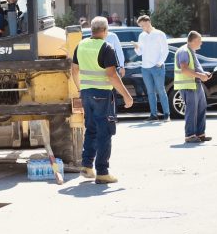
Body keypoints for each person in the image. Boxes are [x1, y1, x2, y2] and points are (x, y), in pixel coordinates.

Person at [72, 16, 134, 184]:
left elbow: (74, 70)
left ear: (92, 30)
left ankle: (86, 166)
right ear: (106, 31)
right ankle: (102, 172)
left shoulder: (81, 45)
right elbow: (112, 75)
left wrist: (80, 89)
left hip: (86, 94)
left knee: (91, 129)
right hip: (102, 95)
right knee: (105, 131)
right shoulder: (106, 47)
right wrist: (127, 96)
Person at [175, 31, 213, 144]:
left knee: (201, 108)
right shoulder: (184, 51)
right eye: (200, 41)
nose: (201, 44)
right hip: (188, 86)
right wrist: (200, 75)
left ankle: (200, 134)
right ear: (195, 41)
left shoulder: (190, 51)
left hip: (195, 84)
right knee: (192, 110)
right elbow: (184, 69)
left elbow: (193, 68)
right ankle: (190, 135)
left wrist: (203, 73)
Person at [134, 15, 170, 121]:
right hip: (145, 68)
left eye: (143, 25)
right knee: (150, 92)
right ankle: (153, 115)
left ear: (148, 22)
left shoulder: (159, 34)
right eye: (140, 26)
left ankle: (166, 114)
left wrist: (160, 63)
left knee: (161, 90)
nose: (142, 28)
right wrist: (136, 48)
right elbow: (140, 52)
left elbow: (165, 50)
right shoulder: (142, 35)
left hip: (157, 67)